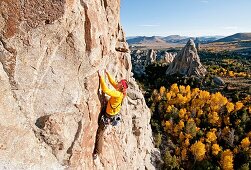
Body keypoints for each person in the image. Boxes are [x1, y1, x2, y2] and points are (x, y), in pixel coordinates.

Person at [93, 70, 128, 159]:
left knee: (100, 133)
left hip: (109, 115)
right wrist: (108, 74)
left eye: (120, 82)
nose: (118, 82)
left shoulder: (118, 94)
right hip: (111, 111)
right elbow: (113, 83)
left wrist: (101, 78)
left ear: (121, 86)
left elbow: (105, 90)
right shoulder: (119, 90)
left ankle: (97, 153)